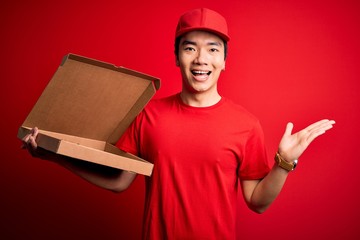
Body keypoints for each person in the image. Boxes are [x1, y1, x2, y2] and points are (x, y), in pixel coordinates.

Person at [22, 8, 335, 240]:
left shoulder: (246, 125)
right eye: (190, 48)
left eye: (213, 49)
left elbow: (257, 202)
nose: (201, 58)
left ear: (225, 60)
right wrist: (54, 155)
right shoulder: (147, 115)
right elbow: (119, 181)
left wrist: (284, 162)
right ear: (177, 58)